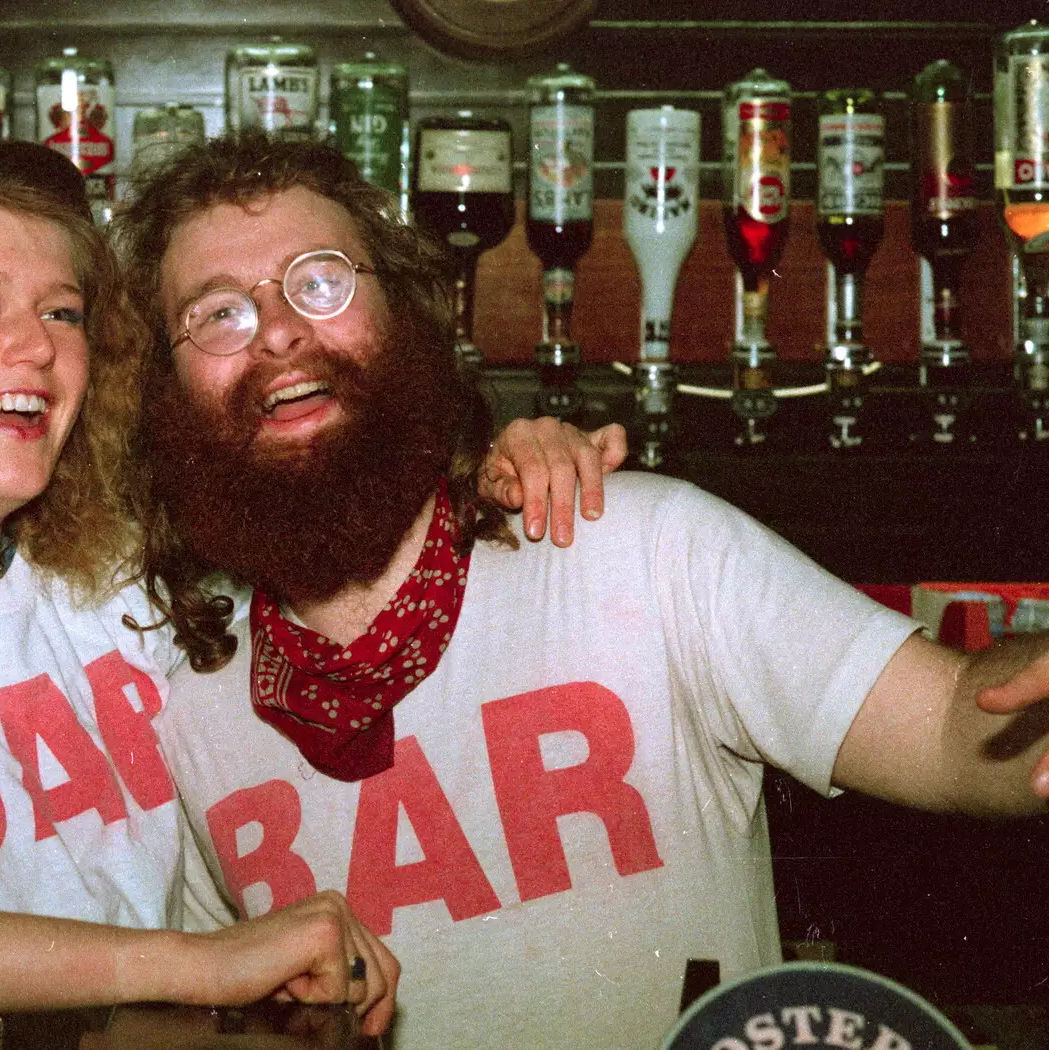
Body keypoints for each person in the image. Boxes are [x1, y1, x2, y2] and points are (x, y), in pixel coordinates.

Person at [0, 142, 618, 1034]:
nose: (37, 345)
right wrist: (190, 968)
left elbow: (348, 566)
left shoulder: (110, 589)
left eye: (62, 310)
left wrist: (497, 473)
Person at [113, 133, 1049, 1049]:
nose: (279, 329)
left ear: (401, 310)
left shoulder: (639, 548)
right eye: (219, 313)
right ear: (166, 388)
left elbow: (950, 726)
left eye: (322, 281)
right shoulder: (188, 702)